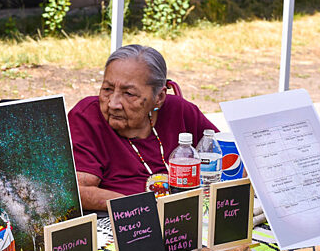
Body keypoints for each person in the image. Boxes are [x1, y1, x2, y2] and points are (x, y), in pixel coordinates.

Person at [68, 44, 218, 211]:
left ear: (159, 97)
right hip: (126, 223)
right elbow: (78, 191)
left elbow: (230, 158)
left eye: (129, 94)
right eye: (107, 89)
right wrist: (139, 209)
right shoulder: (87, 116)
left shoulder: (179, 111)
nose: (113, 103)